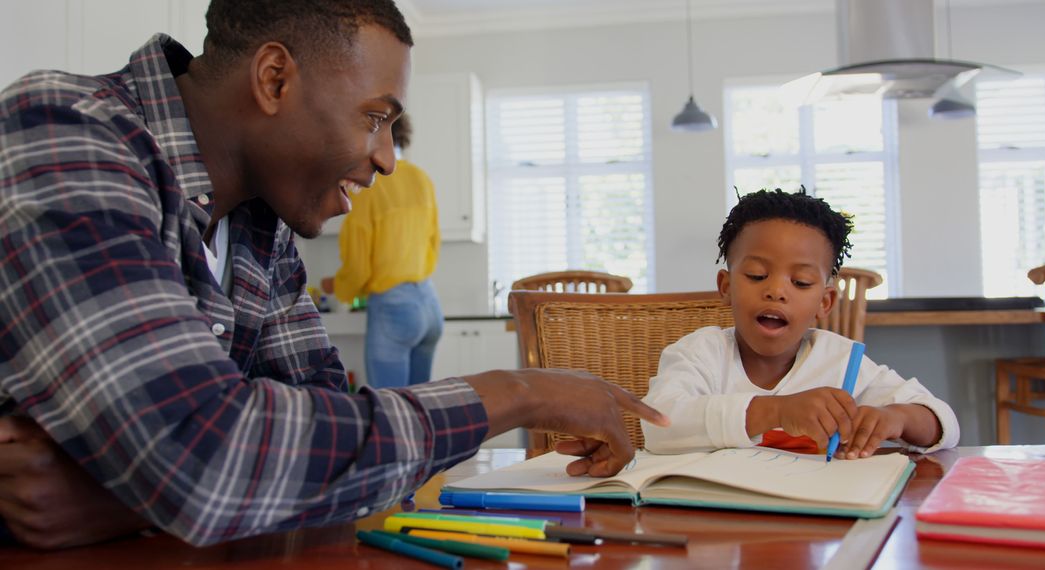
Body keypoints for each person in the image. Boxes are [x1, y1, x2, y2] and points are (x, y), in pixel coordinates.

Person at [0, 0, 668, 550]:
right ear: (274, 80)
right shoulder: (65, 133)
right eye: (375, 117)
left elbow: (331, 434)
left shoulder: (262, 226)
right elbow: (212, 462)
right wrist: (518, 391)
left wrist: (124, 493)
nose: (386, 159)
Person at [641, 189, 959, 458]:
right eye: (756, 276)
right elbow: (659, 425)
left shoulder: (840, 360)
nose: (776, 291)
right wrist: (778, 411)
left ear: (825, 302)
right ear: (726, 286)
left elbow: (944, 422)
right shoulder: (700, 354)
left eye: (802, 282)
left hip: (818, 522)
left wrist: (897, 418)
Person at [320, 113, 443, 389]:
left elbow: (359, 267)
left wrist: (337, 286)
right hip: (430, 305)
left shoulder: (370, 185)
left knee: (389, 412)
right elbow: (434, 242)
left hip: (395, 309)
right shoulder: (421, 178)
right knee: (420, 408)